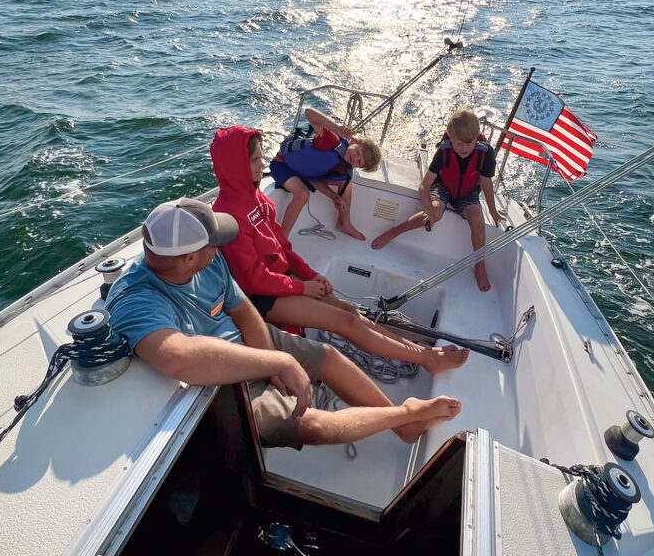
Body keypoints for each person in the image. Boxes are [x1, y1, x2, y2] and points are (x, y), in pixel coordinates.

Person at [104, 197, 462, 449]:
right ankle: (404, 414)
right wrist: (278, 362)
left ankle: (405, 429)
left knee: (329, 358)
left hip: (248, 347)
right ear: (190, 257)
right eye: (215, 243)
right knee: (315, 426)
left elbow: (243, 311)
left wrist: (271, 361)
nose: (222, 247)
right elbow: (176, 358)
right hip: (214, 381)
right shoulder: (136, 299)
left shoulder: (208, 262)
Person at [211, 126, 469, 374]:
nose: (261, 164)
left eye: (259, 157)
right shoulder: (227, 213)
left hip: (285, 279)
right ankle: (427, 359)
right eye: (254, 160)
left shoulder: (259, 199)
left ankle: (419, 351)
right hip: (261, 297)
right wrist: (303, 288)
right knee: (345, 322)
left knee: (349, 311)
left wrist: (310, 274)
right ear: (234, 165)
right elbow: (251, 279)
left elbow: (283, 247)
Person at [372, 109, 502, 292]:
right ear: (450, 138)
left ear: (477, 139)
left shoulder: (485, 153)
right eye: (458, 144)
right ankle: (395, 231)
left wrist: (493, 211)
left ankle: (479, 264)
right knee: (435, 212)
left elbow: (487, 183)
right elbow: (424, 186)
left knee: (478, 220)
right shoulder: (444, 151)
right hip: (443, 186)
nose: (464, 149)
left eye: (469, 144)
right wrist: (428, 209)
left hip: (468, 192)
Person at [269, 108, 381, 240]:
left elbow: (315, 178)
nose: (355, 159)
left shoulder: (342, 168)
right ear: (354, 142)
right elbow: (309, 112)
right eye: (357, 153)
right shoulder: (331, 141)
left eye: (359, 162)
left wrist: (334, 197)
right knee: (302, 194)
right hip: (284, 166)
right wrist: (335, 127)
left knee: (346, 183)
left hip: (304, 174)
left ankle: (344, 223)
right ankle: (282, 240)